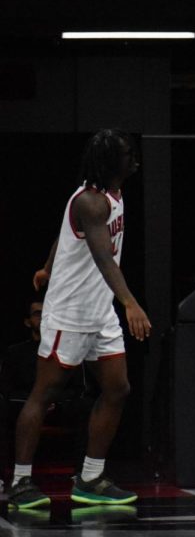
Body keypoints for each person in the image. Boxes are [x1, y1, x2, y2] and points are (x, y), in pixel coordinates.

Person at [7, 129, 152, 510]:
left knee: (118, 389)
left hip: (99, 311)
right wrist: (131, 304)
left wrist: (47, 266)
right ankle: (19, 482)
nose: (132, 157)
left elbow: (63, 236)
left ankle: (90, 477)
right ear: (110, 164)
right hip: (70, 314)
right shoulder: (91, 202)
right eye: (125, 154)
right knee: (46, 393)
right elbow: (104, 257)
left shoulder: (112, 194)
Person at [1, 299, 91, 469]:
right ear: (27, 322)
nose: (43, 318)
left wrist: (51, 401)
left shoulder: (67, 350)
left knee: (88, 407)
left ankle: (84, 474)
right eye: (37, 314)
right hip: (22, 406)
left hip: (59, 407)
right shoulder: (15, 352)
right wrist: (34, 402)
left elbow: (78, 388)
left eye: (47, 313)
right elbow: (6, 389)